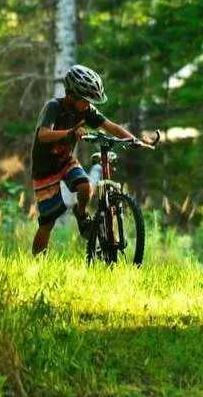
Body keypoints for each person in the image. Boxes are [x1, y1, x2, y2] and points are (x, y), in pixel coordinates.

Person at [30, 64, 148, 255]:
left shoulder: (86, 111)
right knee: (48, 220)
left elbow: (111, 127)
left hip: (65, 161)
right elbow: (42, 135)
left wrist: (135, 140)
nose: (88, 105)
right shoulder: (54, 107)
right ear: (71, 95)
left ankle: (81, 213)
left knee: (85, 186)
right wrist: (70, 133)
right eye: (85, 100)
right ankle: (36, 263)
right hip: (45, 169)